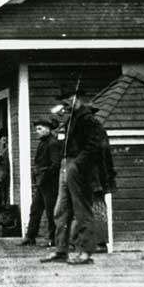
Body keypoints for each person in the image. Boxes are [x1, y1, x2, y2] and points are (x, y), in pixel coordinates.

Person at [40, 87, 115, 265]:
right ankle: (61, 250)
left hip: (78, 167)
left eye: (68, 98)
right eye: (64, 98)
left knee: (82, 211)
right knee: (61, 211)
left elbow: (94, 146)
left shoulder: (88, 120)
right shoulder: (70, 120)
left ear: (78, 98)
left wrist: (78, 164)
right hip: (66, 166)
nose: (65, 102)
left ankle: (85, 252)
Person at [21, 118, 62, 246]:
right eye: (36, 129)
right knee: (35, 209)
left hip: (50, 184)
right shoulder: (43, 143)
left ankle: (54, 239)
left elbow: (56, 164)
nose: (37, 132)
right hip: (42, 183)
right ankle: (30, 236)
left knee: (51, 212)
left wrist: (44, 177)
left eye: (40, 129)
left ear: (48, 129)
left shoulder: (53, 143)